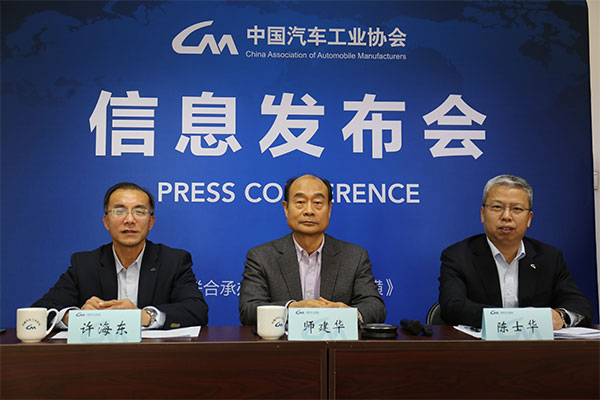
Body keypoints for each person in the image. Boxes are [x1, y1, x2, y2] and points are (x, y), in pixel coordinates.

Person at [33, 182, 208, 329]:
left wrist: (144, 316)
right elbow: (40, 311)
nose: (129, 220)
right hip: (99, 355)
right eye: (119, 211)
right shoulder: (85, 264)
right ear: (106, 222)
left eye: (139, 212)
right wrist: (75, 317)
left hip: (154, 355)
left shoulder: (173, 261)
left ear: (151, 222)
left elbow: (197, 311)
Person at [438, 174, 593, 329]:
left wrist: (561, 317)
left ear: (529, 218)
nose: (506, 216)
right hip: (480, 344)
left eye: (517, 209)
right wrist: (516, 319)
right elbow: (452, 307)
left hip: (536, 344)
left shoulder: (549, 257)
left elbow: (580, 305)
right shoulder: (457, 256)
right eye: (497, 207)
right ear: (482, 214)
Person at [239, 174, 386, 326]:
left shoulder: (354, 257)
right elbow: (248, 310)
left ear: (329, 209)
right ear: (286, 208)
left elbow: (375, 308)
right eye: (300, 202)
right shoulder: (261, 257)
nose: (309, 211)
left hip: (334, 340)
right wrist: (292, 309)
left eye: (317, 203)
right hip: (283, 341)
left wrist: (348, 313)